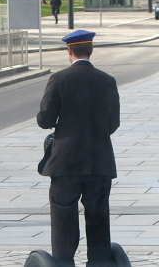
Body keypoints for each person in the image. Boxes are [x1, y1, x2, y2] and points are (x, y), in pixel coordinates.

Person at [37, 30, 120, 267]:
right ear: (91, 50)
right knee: (98, 216)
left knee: (63, 215)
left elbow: (45, 119)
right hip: (100, 162)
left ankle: (64, 263)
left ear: (69, 51)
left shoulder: (59, 79)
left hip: (66, 162)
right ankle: (100, 263)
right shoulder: (107, 81)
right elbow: (113, 123)